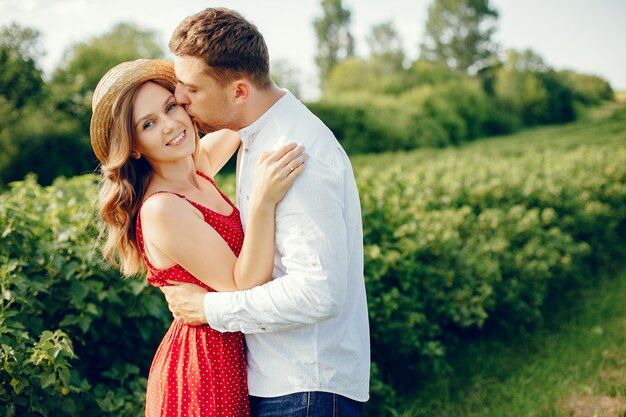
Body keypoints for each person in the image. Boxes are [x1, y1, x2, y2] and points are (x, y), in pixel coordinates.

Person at [160, 7, 370, 416]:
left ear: (239, 91)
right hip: (283, 380)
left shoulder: (293, 154)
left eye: (192, 90)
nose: (181, 101)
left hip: (304, 388)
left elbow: (318, 293)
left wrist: (209, 309)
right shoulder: (251, 132)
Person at [90, 58, 306, 416]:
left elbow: (247, 107)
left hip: (235, 351)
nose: (171, 125)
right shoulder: (162, 209)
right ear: (133, 146)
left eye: (171, 106)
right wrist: (264, 201)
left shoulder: (198, 167)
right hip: (204, 371)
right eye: (149, 123)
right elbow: (243, 285)